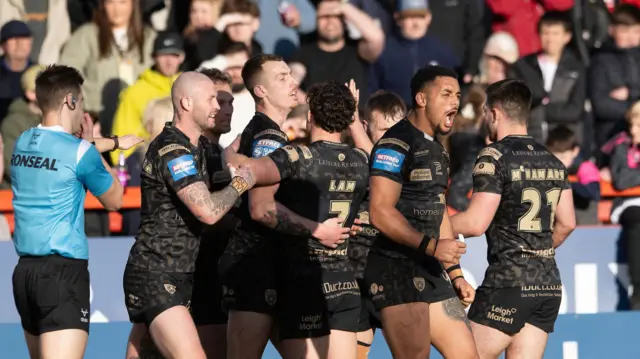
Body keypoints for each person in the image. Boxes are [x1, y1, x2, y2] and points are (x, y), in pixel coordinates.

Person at [218, 54, 350, 359]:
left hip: (279, 266)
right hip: (255, 267)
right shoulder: (269, 136)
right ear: (260, 91)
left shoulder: (264, 132)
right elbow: (261, 209)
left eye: (291, 74)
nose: (293, 83)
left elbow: (231, 156)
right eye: (281, 77)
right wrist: (318, 230)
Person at [122, 71, 257, 359]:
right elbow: (207, 212)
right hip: (156, 273)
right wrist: (242, 182)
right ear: (185, 102)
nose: (217, 107)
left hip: (181, 274)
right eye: (210, 99)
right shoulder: (173, 149)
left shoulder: (200, 148)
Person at [10, 64, 142, 359]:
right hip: (62, 274)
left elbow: (64, 149)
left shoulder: (23, 142)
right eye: (81, 101)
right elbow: (115, 200)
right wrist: (99, 149)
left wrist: (114, 142)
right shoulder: (82, 152)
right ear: (71, 101)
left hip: (25, 274)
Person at [450, 79, 577, 359]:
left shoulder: (494, 156)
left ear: (494, 113)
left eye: (485, 112)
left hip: (508, 283)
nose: (484, 119)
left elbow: (474, 223)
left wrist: (436, 225)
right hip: (547, 285)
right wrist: (537, 253)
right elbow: (568, 223)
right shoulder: (553, 161)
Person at [364, 65, 477, 359]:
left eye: (458, 95)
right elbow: (379, 212)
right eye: (447, 94)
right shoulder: (394, 144)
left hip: (430, 268)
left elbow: (437, 210)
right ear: (422, 99)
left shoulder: (439, 150)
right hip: (395, 270)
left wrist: (456, 275)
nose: (455, 102)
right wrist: (432, 247)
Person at [345, 88, 407, 359]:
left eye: (398, 130)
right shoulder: (350, 159)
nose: (392, 139)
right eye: (384, 131)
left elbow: (380, 163)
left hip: (394, 274)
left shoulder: (412, 159)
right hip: (355, 273)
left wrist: (352, 122)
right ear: (367, 126)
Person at [192, 68, 237, 358]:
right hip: (199, 271)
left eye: (230, 101)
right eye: (218, 100)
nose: (226, 109)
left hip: (222, 269)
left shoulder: (221, 152)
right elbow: (204, 214)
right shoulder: (189, 151)